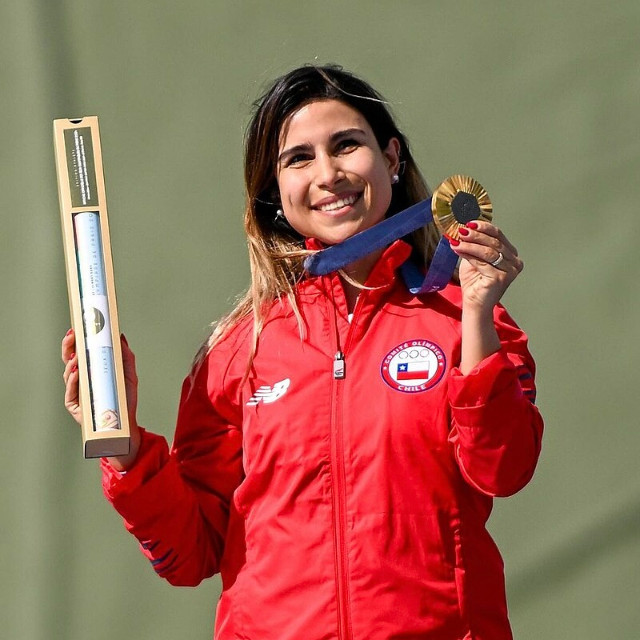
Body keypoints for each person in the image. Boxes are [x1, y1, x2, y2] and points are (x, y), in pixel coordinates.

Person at [61, 64, 543, 640]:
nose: (329, 174)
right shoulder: (239, 349)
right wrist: (129, 450)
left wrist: (475, 314)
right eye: (299, 158)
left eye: (347, 145)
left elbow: (503, 470)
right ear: (274, 189)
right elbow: (192, 553)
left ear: (391, 158)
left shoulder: (462, 317)